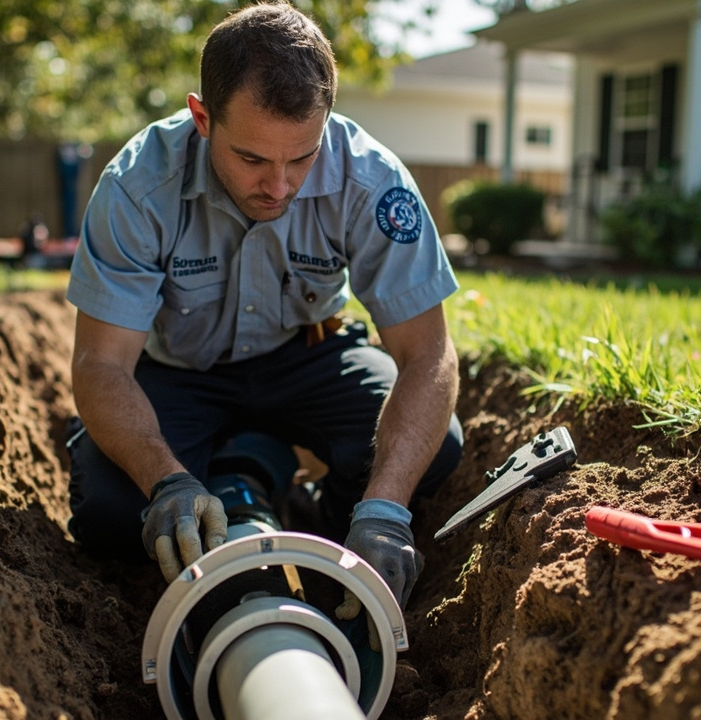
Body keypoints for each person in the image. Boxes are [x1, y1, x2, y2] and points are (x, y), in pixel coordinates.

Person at [64, 1, 462, 619]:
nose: (279, 187)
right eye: (252, 159)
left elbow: (428, 354)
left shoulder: (372, 180)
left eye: (301, 158)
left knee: (428, 453)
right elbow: (100, 364)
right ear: (202, 117)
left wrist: (383, 511)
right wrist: (166, 481)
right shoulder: (137, 188)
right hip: (177, 375)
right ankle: (210, 464)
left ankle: (326, 526)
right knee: (114, 515)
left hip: (308, 359)